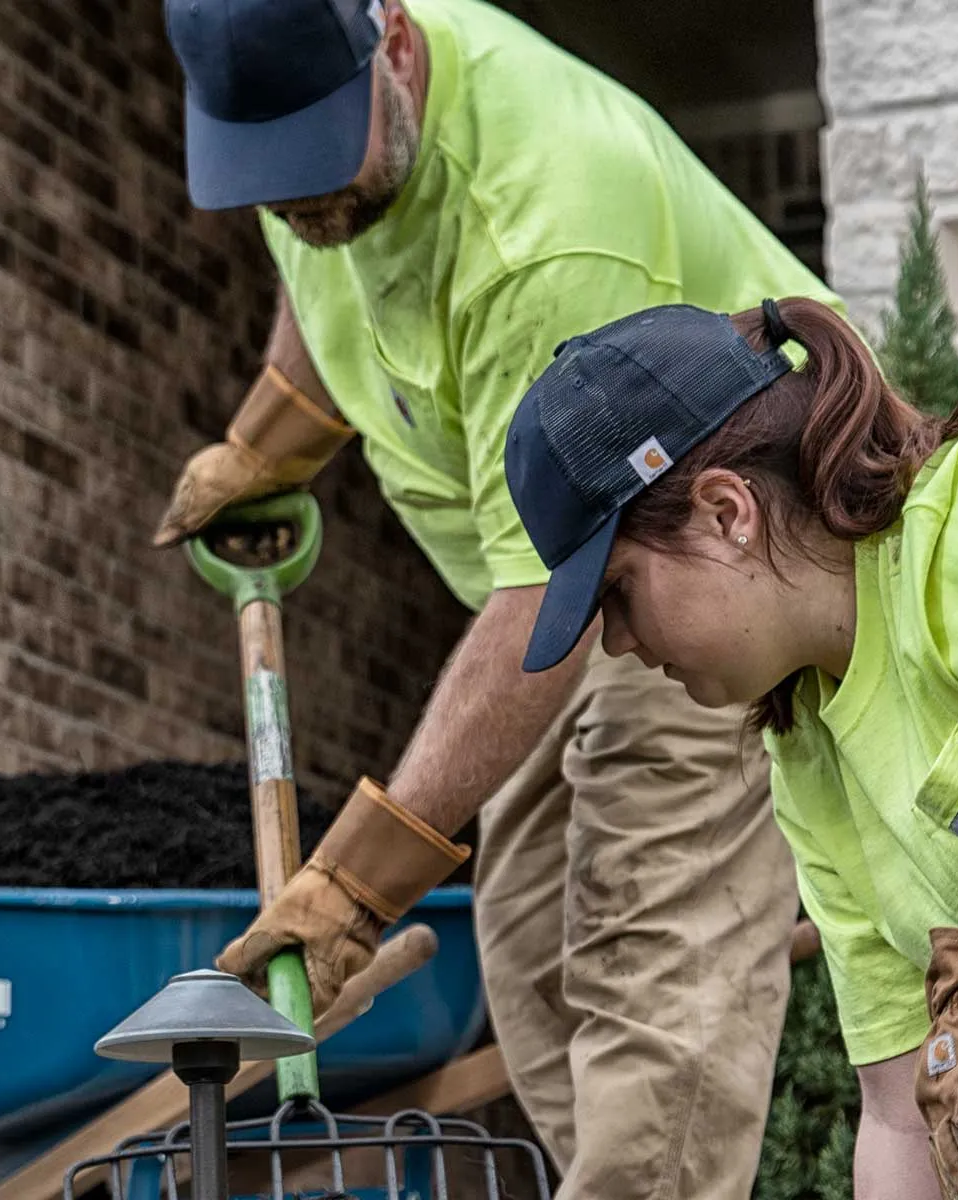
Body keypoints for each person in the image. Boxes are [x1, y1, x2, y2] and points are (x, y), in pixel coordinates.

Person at [157, 1, 836, 1197]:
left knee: (645, 952)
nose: (303, 208)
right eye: (272, 186)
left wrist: (355, 886)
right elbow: (328, 268)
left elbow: (537, 603)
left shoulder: (546, 223)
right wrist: (273, 436)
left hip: (707, 564)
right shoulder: (319, 144)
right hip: (560, 595)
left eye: (320, 165)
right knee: (525, 953)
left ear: (398, 47)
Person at [502, 295, 958, 1200]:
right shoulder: (814, 759)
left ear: (727, 513)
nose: (617, 646)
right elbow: (896, 1109)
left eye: (619, 595)